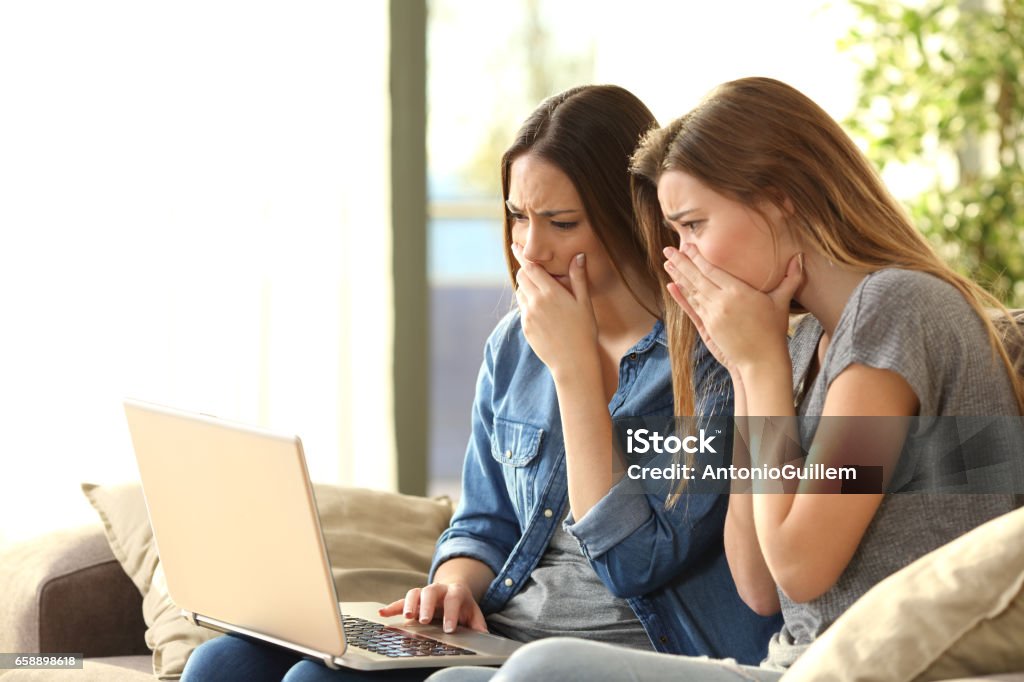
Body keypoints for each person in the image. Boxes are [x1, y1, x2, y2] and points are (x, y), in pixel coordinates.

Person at [427, 76, 1024, 682]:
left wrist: (758, 368)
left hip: (866, 667)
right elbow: (758, 584)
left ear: (780, 199)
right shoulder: (811, 345)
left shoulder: (896, 311)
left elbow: (797, 569)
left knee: (543, 671)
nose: (680, 257)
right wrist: (751, 370)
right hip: (795, 665)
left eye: (692, 226)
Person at [182, 84, 778, 682]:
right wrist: (454, 584)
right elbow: (484, 520)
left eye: (561, 222)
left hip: (620, 652)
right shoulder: (514, 346)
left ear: (630, 216)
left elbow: (635, 563)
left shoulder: (710, 363)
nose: (530, 249)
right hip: (503, 634)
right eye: (518, 216)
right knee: (222, 662)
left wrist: (574, 375)